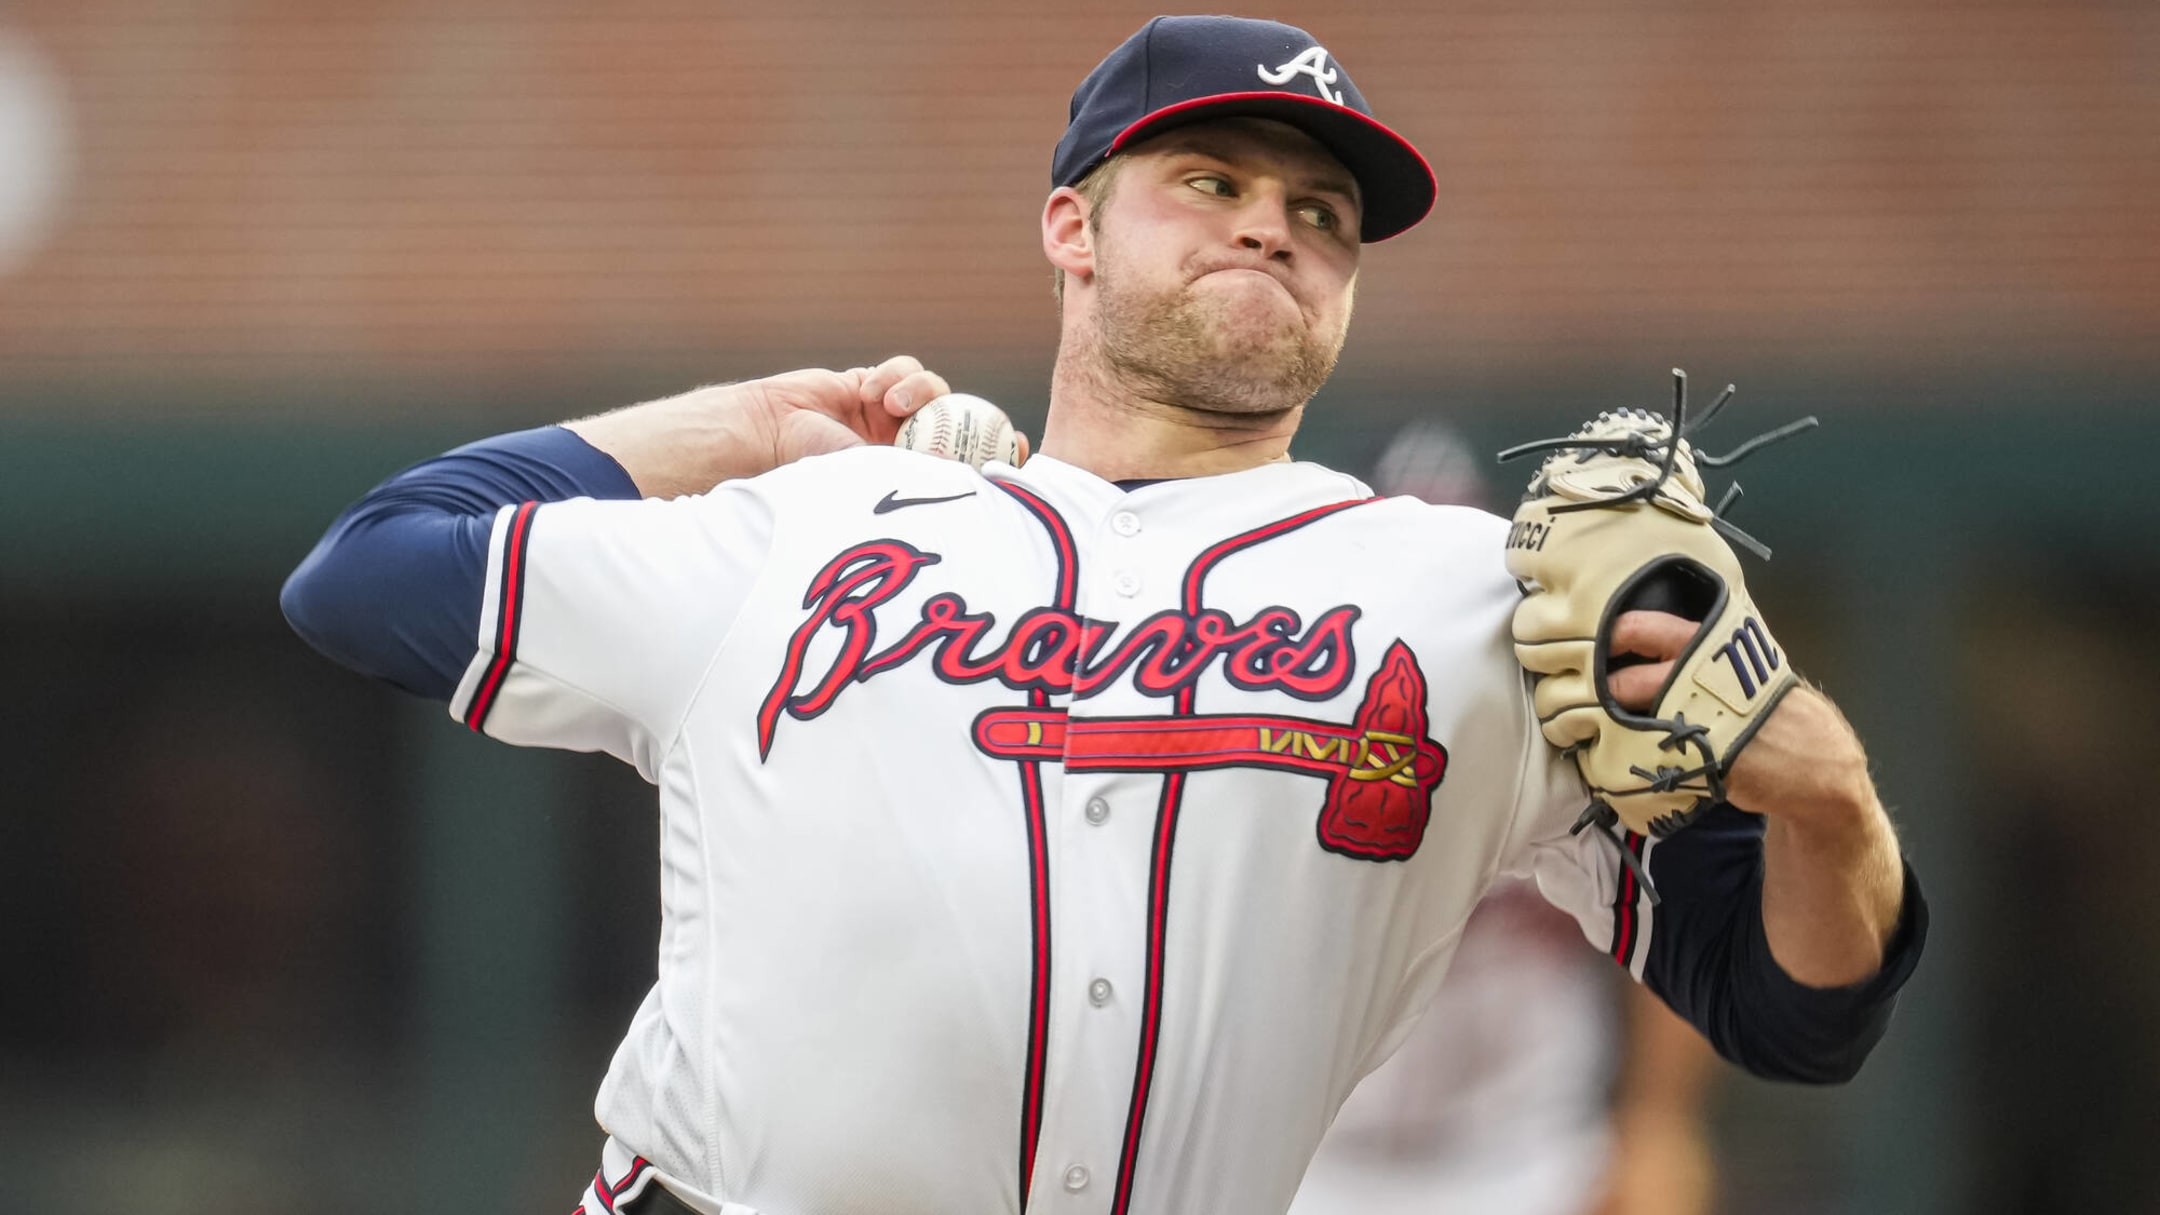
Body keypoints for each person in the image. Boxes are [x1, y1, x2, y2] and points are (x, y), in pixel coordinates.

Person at [281, 16, 1926, 1215]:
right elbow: (369, 571)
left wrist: (1825, 793)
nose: (1272, 219)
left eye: (1323, 211)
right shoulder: (814, 533)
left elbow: (1795, 1008)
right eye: (1208, 178)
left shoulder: (1472, 601)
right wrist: (741, 420)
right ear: (1072, 226)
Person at [1289, 421, 1721, 1215]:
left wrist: (1658, 1122)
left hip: (1529, 1157)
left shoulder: (1570, 718)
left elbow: (1686, 913)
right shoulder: (1280, 715)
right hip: (1313, 1164)